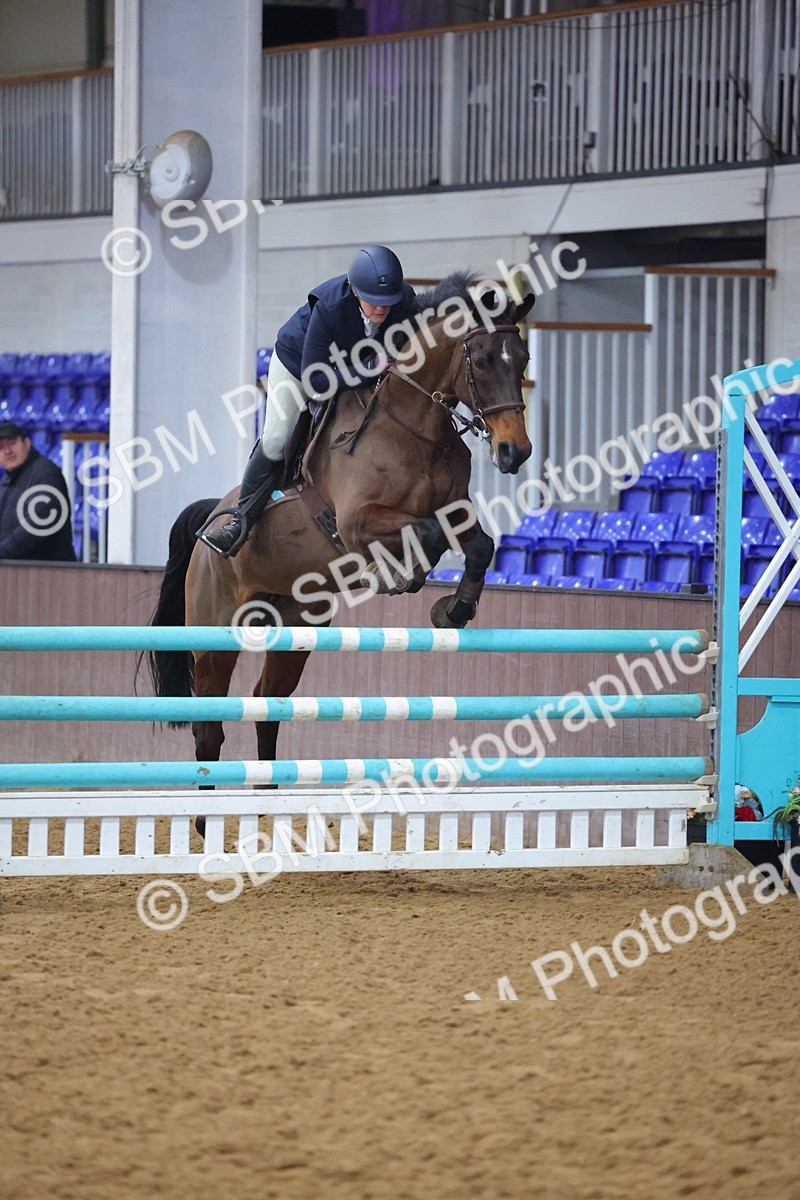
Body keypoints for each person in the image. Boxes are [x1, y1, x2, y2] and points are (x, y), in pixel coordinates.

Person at [200, 244, 419, 557]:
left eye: (387, 302)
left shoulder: (404, 302)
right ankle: (239, 522)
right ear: (355, 291)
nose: (381, 309)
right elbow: (315, 382)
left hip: (355, 369)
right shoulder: (330, 307)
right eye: (373, 301)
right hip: (300, 367)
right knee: (276, 439)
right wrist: (368, 370)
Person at [0, 421, 77, 562]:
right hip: (17, 570)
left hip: (49, 570)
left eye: (12, 443)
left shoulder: (46, 474)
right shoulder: (6, 480)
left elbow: (37, 525)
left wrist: (3, 552)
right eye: (1, 448)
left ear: (27, 443)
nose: (7, 451)